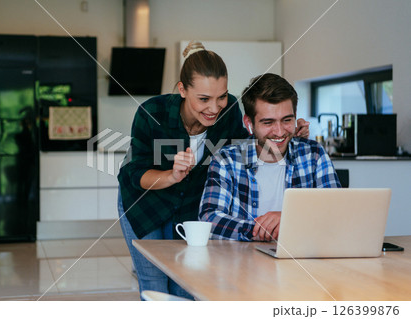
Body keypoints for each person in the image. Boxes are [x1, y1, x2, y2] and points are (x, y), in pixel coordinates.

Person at [117, 43, 310, 299]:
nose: (214, 107)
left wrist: (284, 132)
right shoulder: (152, 113)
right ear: (183, 89)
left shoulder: (229, 110)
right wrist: (171, 176)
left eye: (221, 96)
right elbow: (134, 172)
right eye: (204, 99)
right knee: (153, 283)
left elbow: (247, 147)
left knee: (185, 284)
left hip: (190, 207)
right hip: (144, 202)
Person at [198, 73, 341, 242]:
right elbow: (209, 219)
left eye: (287, 120)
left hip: (300, 261)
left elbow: (336, 212)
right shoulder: (226, 161)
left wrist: (288, 219)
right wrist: (261, 230)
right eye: (268, 122)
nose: (279, 132)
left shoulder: (314, 155)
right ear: (249, 123)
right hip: (241, 263)